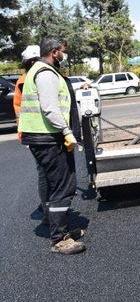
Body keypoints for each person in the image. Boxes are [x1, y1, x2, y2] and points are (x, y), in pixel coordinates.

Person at [18, 37, 86, 255]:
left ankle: (59, 227)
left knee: (51, 184)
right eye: (62, 51)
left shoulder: (39, 70)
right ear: (55, 52)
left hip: (42, 137)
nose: (63, 55)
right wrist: (67, 131)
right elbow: (49, 108)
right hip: (49, 138)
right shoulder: (46, 74)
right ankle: (60, 238)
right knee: (62, 186)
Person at [13, 45, 41, 139]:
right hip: (44, 130)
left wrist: (21, 130)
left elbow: (18, 107)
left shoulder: (22, 80)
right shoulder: (23, 81)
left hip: (31, 130)